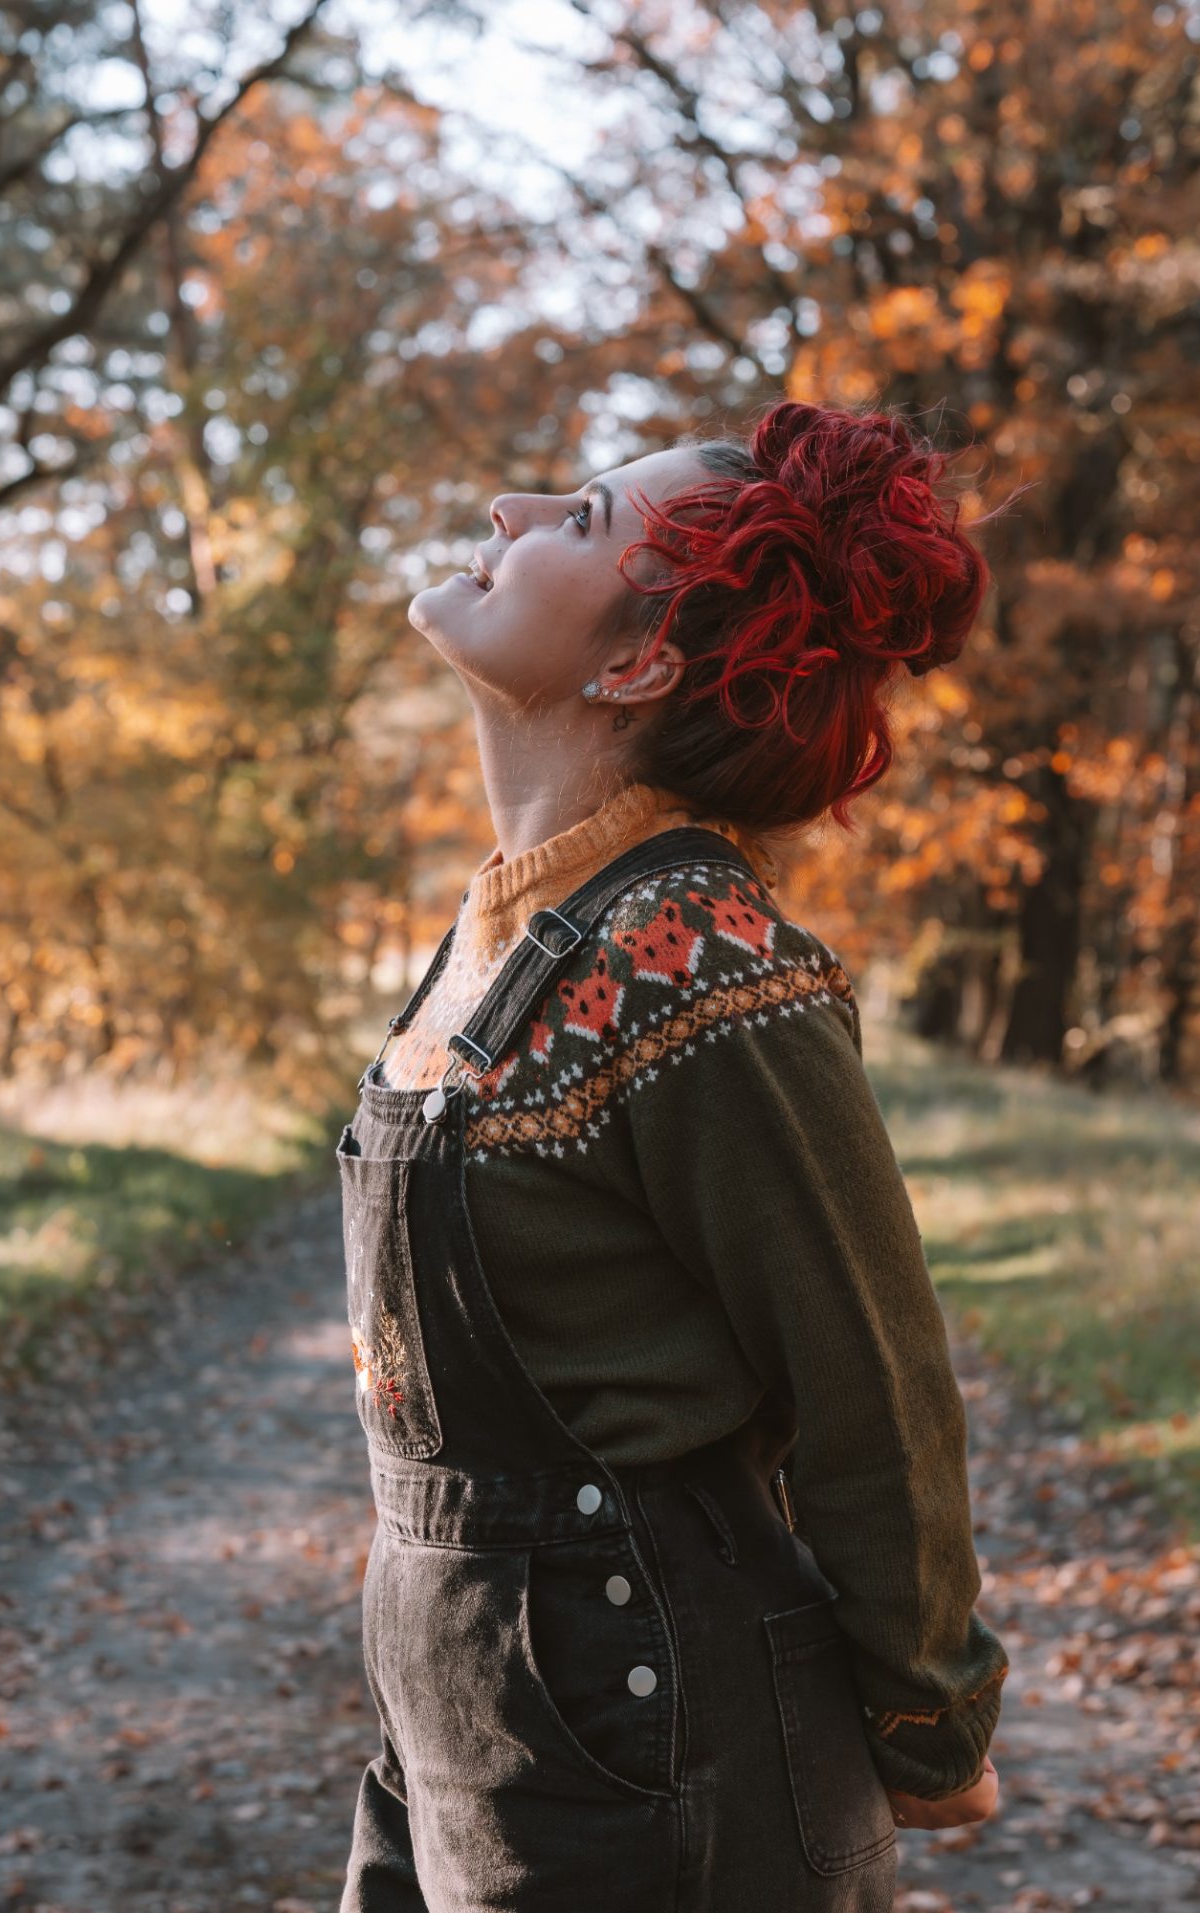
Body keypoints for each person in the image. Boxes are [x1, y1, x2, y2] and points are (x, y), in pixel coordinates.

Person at [337, 399, 1016, 1912]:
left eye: (578, 516)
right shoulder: (493, 928)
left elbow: (871, 1377)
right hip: (457, 1715)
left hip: (665, 1745)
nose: (509, 506)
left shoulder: (703, 958)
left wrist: (931, 1711)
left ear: (636, 662)